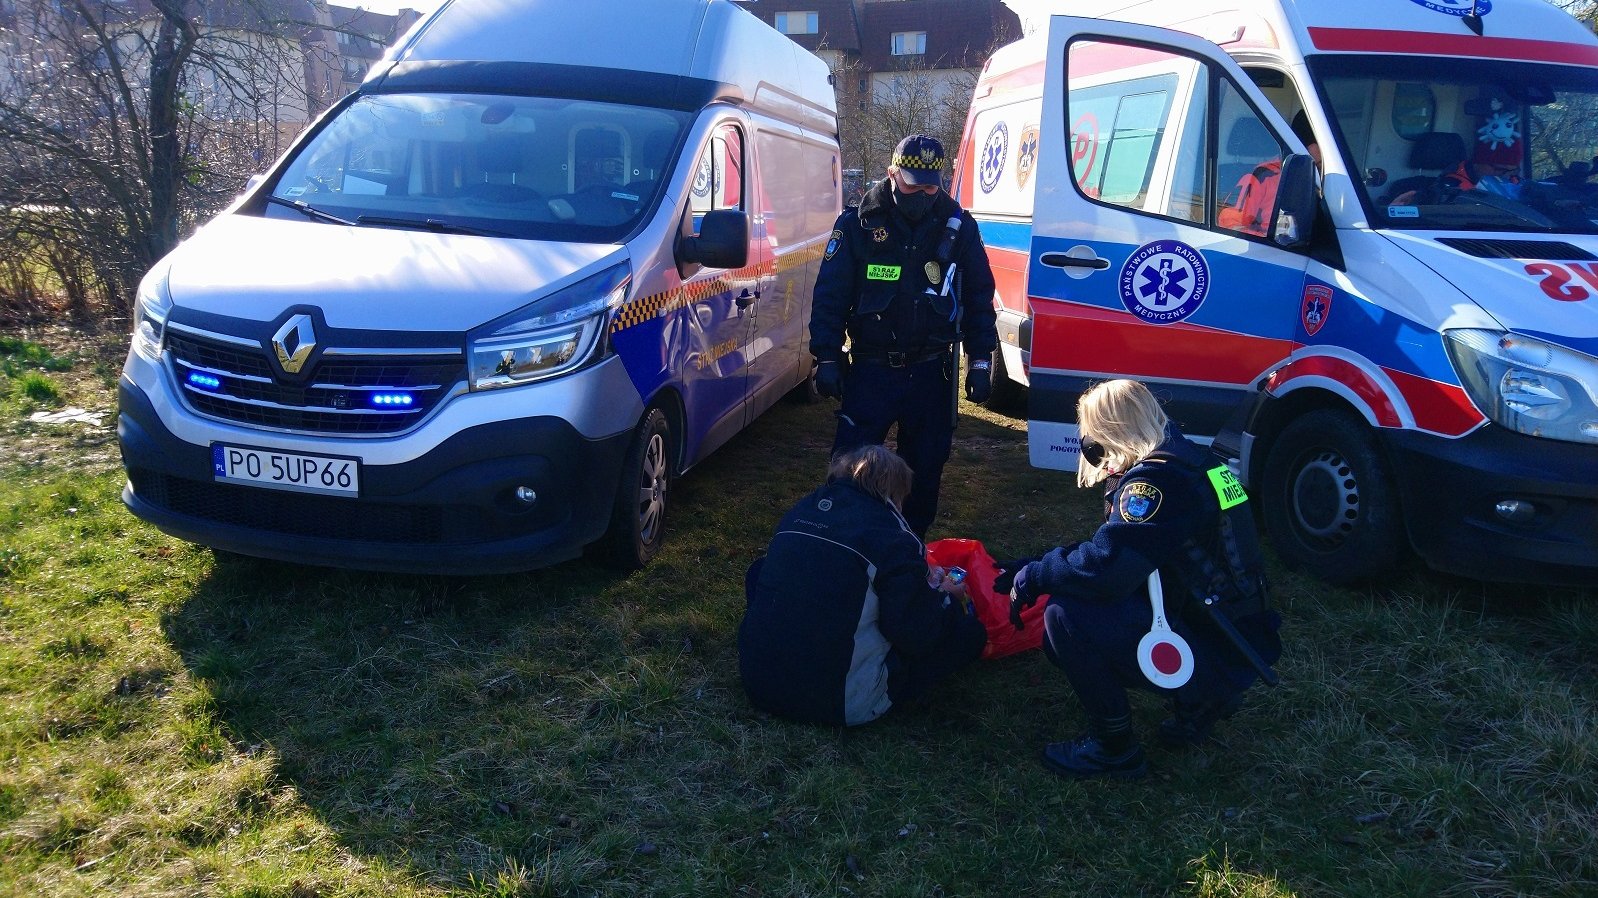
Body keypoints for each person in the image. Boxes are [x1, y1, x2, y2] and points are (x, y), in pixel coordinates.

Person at [997, 380, 1282, 779]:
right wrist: (1034, 565)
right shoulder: (1199, 462)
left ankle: (1113, 749)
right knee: (1075, 593)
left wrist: (1038, 576)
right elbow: (1133, 547)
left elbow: (1107, 570)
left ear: (1109, 432)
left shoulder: (1157, 482)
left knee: (1066, 616)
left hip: (1214, 642)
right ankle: (1199, 700)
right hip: (1237, 631)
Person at [809, 134, 999, 539]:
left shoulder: (959, 226)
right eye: (912, 185)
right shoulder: (859, 223)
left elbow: (980, 298)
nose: (921, 195)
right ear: (892, 173)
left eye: (930, 186)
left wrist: (981, 360)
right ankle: (843, 541)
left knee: (925, 468)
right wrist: (827, 356)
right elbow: (830, 295)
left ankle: (908, 547)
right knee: (850, 465)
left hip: (932, 372)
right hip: (872, 368)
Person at [738, 444, 988, 727]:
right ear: (894, 492)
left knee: (764, 571)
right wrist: (948, 600)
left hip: (758, 683)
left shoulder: (800, 510)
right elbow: (914, 634)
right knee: (970, 634)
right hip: (838, 702)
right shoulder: (893, 534)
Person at [1217, 110, 1320, 236]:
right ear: (1302, 143)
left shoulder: (1338, 182)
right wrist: (1269, 239)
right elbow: (1229, 223)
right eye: (1319, 142)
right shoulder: (1263, 176)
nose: (1326, 151)